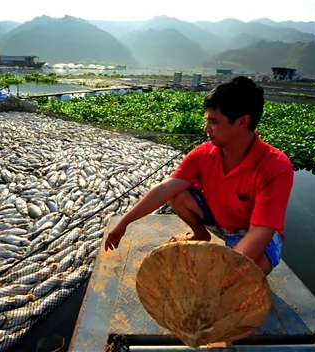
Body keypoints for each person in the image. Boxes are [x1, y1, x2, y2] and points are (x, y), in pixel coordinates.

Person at [105, 76, 294, 276]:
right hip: (220, 222)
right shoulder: (203, 154)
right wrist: (124, 222)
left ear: (242, 122)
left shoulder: (275, 166)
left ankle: (234, 260)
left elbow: (260, 231)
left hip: (252, 233)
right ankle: (200, 234)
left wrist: (224, 269)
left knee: (250, 273)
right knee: (177, 194)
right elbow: (165, 188)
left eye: (213, 121)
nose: (206, 129)